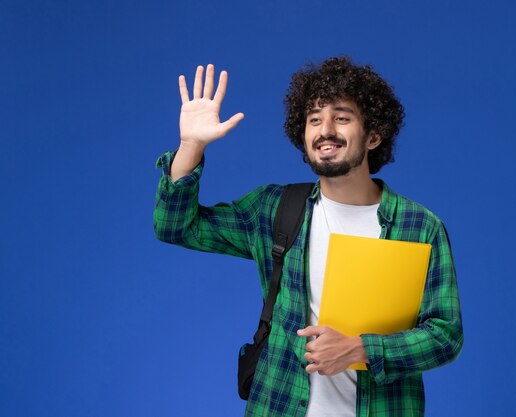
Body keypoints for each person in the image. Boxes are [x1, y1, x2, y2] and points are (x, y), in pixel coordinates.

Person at [154, 56, 463, 417]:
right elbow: (176, 227)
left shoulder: (419, 227)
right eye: (314, 118)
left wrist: (362, 349)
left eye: (342, 117)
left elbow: (445, 336)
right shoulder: (276, 208)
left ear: (374, 136)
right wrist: (191, 145)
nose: (325, 129)